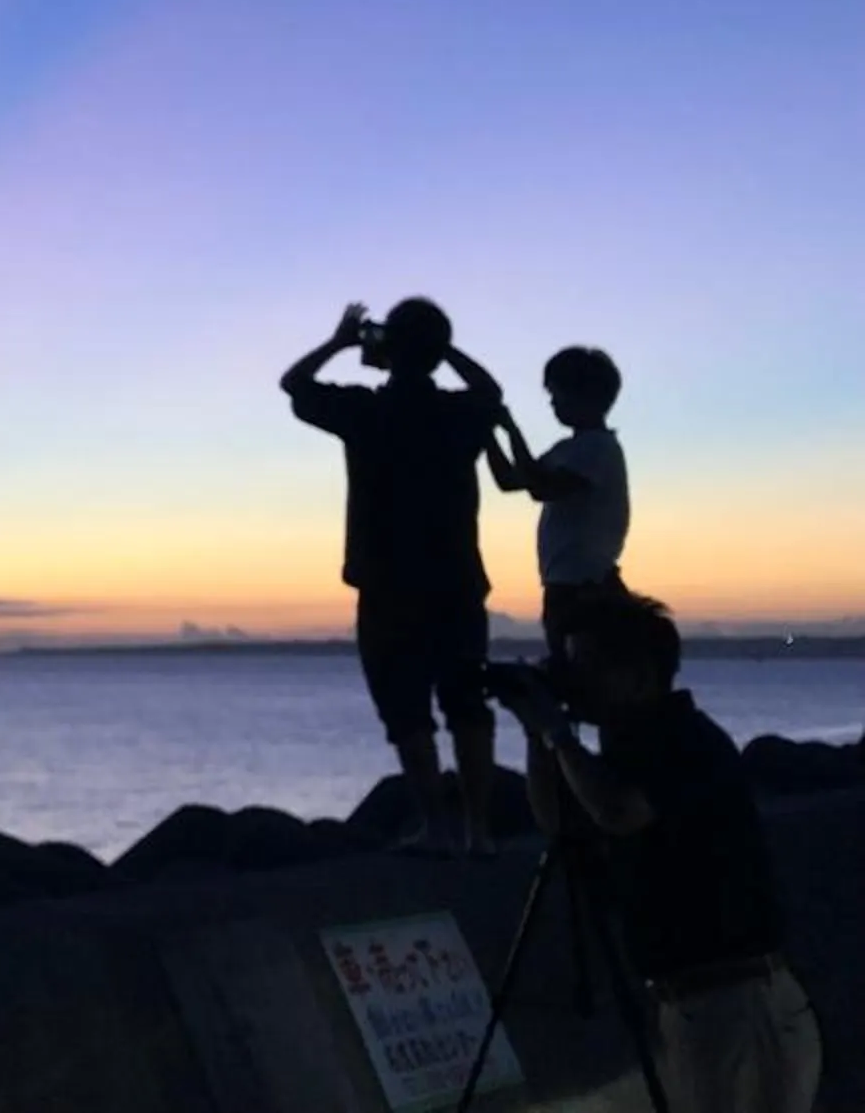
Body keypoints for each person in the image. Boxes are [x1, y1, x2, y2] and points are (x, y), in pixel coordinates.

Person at [496, 591, 822, 1113]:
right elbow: (560, 823)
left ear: (638, 675)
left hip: (737, 1006)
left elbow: (619, 812)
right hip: (696, 1007)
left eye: (586, 668)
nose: (575, 684)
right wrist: (538, 737)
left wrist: (559, 734)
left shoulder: (686, 742)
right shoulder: (627, 750)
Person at [280, 297, 508, 854]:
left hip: (386, 583)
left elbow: (294, 384)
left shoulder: (367, 411)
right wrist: (437, 347)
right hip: (456, 580)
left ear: (390, 349)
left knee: (406, 709)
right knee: (466, 703)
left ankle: (438, 826)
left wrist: (341, 342)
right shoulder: (461, 412)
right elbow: (492, 392)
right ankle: (479, 828)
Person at [485, 344, 631, 657]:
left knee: (579, 673)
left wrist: (510, 430)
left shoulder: (597, 449)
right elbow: (510, 480)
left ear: (585, 396)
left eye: (557, 394)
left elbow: (540, 487)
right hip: (564, 582)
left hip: (585, 585)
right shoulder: (569, 449)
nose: (553, 402)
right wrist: (488, 435)